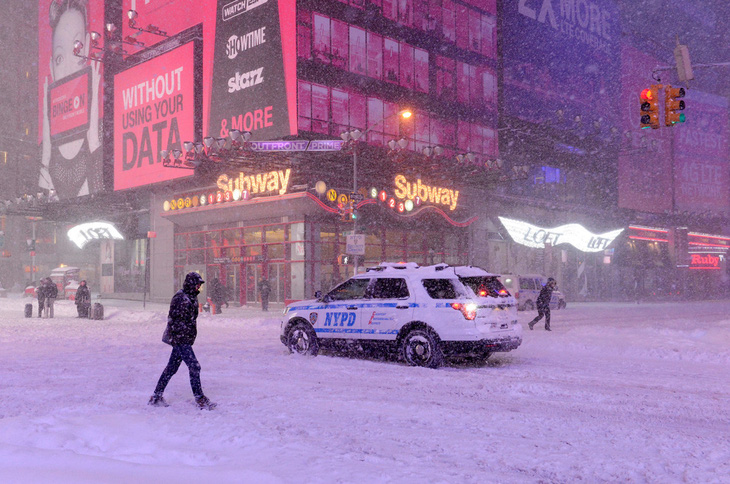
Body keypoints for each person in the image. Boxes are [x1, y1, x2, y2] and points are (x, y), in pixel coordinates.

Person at [40, 0, 103, 199]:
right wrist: (47, 145)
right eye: (59, 58)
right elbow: (40, 211)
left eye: (77, 47)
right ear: (52, 67)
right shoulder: (45, 146)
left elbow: (100, 198)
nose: (67, 68)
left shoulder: (102, 130)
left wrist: (93, 136)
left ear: (87, 49)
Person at [149, 272, 216, 410]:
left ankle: (156, 396)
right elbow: (173, 320)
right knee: (194, 366)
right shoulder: (181, 298)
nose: (199, 287)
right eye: (197, 284)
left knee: (171, 368)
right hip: (180, 339)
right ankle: (200, 398)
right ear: (191, 284)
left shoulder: (191, 298)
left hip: (185, 339)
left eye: (200, 285)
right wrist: (180, 338)